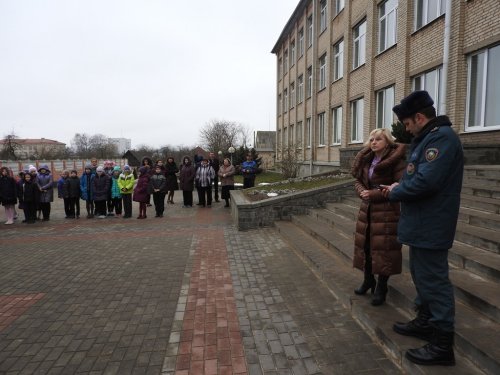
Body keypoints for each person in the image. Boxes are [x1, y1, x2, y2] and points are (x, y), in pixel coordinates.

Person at [382, 90, 464, 366]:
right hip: (421, 223)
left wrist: (396, 191)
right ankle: (426, 321)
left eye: (406, 124)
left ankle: (442, 345)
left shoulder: (441, 138)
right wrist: (400, 186)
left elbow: (426, 183)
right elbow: (418, 177)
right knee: (421, 275)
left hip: (432, 224)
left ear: (419, 117)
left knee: (434, 281)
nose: (405, 129)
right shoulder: (427, 137)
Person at [351, 128, 406, 306]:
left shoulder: (395, 160)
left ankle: (382, 286)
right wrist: (363, 192)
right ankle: (368, 280)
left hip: (387, 211)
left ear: (387, 141)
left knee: (384, 249)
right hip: (366, 210)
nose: (374, 142)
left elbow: (399, 186)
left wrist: (373, 194)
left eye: (378, 139)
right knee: (366, 247)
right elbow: (358, 180)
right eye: (371, 139)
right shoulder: (367, 159)